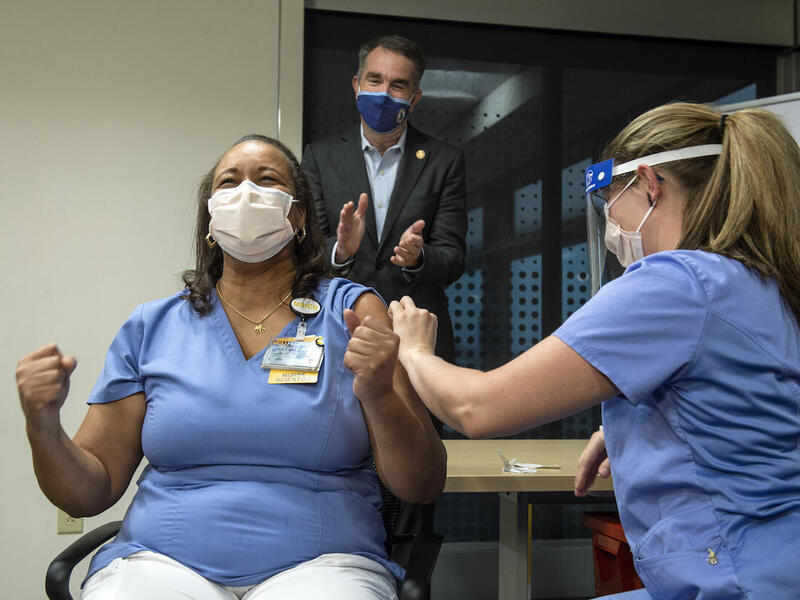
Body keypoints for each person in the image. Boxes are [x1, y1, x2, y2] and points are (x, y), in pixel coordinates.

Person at [356, 103, 800, 599]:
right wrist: (643, 427)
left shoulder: (676, 284)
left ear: (649, 184)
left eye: (611, 200)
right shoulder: (759, 280)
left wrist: (416, 351)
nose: (610, 225)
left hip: (734, 580)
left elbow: (477, 408)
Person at [16, 134, 446, 600]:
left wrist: (381, 393)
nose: (245, 193)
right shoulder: (152, 327)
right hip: (161, 563)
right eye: (229, 182)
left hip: (324, 565)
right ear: (210, 217)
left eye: (267, 180)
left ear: (298, 214)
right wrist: (43, 426)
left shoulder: (352, 312)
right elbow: (89, 490)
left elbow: (421, 482)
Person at [302, 34, 467, 363]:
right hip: (339, 331)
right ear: (356, 84)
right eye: (374, 80)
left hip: (415, 343)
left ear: (414, 97)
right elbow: (306, 253)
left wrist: (418, 258)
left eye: (397, 85)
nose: (383, 94)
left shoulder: (443, 161)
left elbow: (453, 258)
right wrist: (341, 250)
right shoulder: (319, 156)